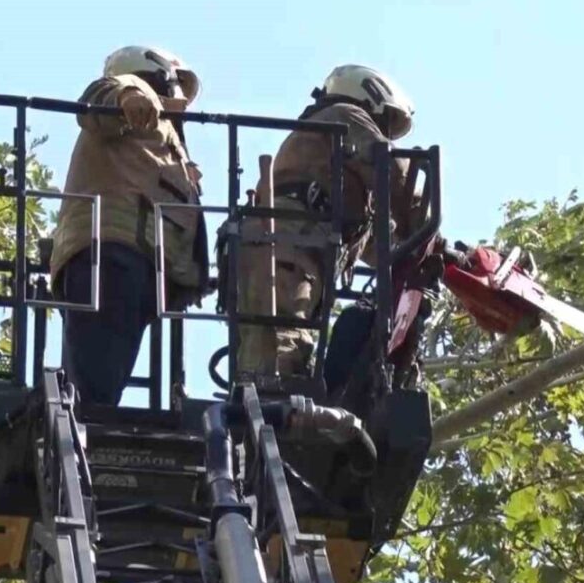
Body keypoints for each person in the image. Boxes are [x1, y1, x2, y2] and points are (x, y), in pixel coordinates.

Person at [235, 64, 420, 384]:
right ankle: (269, 400)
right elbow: (394, 172)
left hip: (285, 245)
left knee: (278, 348)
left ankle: (269, 397)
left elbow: (377, 247)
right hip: (287, 246)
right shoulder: (345, 114)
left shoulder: (332, 160)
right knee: (279, 350)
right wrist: (425, 226)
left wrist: (419, 251)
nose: (383, 132)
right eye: (385, 122)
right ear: (370, 97)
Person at [49, 46, 209, 406]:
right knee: (95, 386)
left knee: (101, 377)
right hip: (112, 255)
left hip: (133, 262)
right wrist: (129, 96)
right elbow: (100, 96)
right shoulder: (132, 93)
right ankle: (88, 422)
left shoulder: (162, 135)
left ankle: (88, 418)